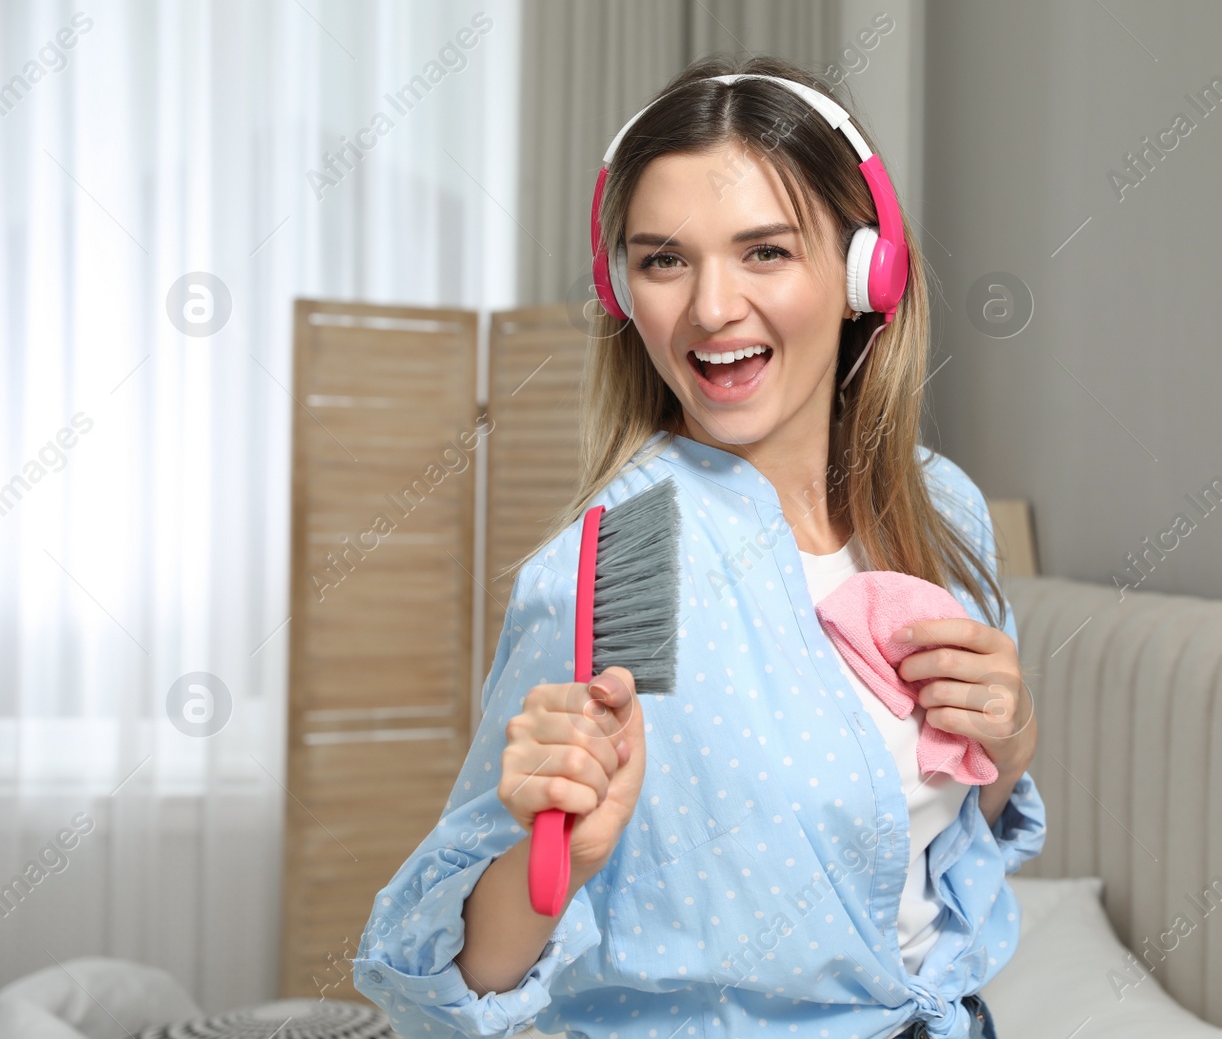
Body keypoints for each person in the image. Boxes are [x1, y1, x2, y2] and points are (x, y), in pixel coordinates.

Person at [352, 53, 1046, 1039]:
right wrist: (564, 858)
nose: (712, 307)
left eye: (764, 251)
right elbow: (446, 984)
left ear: (864, 270)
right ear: (620, 288)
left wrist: (1009, 744)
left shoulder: (939, 509)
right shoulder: (620, 569)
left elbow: (937, 856)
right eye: (664, 259)